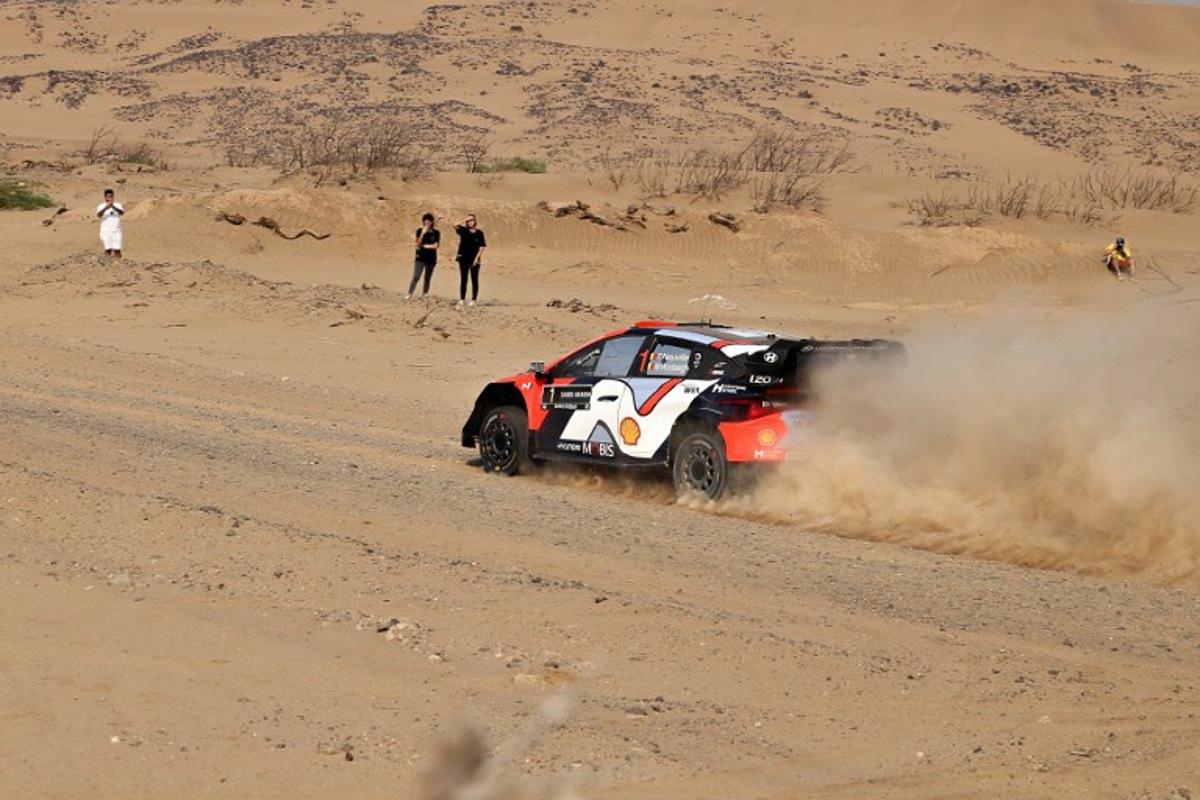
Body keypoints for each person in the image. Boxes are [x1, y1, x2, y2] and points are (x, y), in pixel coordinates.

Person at [453, 213, 487, 308]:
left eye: (472, 220)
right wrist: (465, 219)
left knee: (474, 279)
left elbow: (482, 246)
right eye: (469, 221)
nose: (470, 222)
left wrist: (476, 259)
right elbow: (454, 224)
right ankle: (462, 299)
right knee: (463, 279)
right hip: (463, 258)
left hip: (474, 259)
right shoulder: (463, 230)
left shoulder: (479, 232)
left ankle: (473, 300)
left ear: (475, 221)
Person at [406, 212, 440, 299]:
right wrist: (422, 233)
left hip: (431, 258)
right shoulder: (419, 231)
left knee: (427, 277)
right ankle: (410, 293)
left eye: (429, 221)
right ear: (423, 222)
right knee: (416, 276)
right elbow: (418, 244)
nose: (427, 223)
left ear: (432, 222)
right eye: (426, 221)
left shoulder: (436, 232)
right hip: (420, 257)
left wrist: (425, 246)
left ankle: (425, 293)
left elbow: (436, 245)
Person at [96, 188, 124, 259]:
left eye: (111, 196)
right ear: (105, 197)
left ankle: (119, 264)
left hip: (116, 231)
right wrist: (106, 208)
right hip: (106, 231)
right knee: (108, 249)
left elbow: (121, 212)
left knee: (117, 249)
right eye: (107, 196)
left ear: (113, 196)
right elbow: (99, 215)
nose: (109, 198)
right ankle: (108, 266)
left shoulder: (117, 205)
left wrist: (113, 206)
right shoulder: (101, 206)